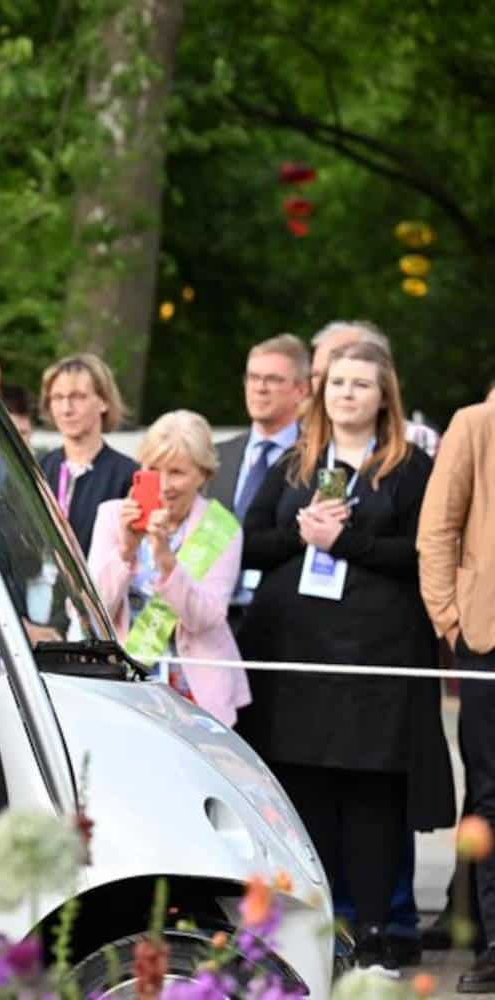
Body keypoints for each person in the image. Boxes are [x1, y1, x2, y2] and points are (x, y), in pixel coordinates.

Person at [235, 340, 449, 970]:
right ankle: (321, 929)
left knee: (372, 797)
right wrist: (302, 532)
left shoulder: (409, 466)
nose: (348, 393)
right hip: (299, 659)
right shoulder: (297, 462)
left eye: (361, 384)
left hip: (376, 663)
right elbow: (250, 543)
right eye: (338, 383)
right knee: (308, 792)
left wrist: (347, 540)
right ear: (321, 392)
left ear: (385, 396)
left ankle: (379, 930)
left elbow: (421, 554)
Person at [85, 411, 250, 725]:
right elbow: (93, 610)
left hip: (195, 693)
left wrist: (165, 559)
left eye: (177, 472)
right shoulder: (112, 516)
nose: (164, 484)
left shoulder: (221, 528)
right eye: (153, 469)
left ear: (203, 474)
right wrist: (126, 551)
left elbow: (206, 618)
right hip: (125, 686)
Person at [418, 398, 495, 991]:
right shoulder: (475, 424)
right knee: (492, 793)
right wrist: (453, 622)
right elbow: (438, 528)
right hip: (486, 639)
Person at [208, 334, 310, 634]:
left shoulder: (317, 462)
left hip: (284, 621)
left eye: (273, 379)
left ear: (301, 390)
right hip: (214, 620)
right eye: (253, 377)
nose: (260, 388)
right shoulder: (215, 457)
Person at [38, 353, 137, 554]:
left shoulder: (127, 476)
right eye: (58, 398)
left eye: (78, 397)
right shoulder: (38, 469)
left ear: (103, 402)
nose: (66, 409)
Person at [310, 320, 439, 457]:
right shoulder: (295, 455)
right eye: (336, 381)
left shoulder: (418, 444)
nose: (345, 392)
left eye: (361, 383)